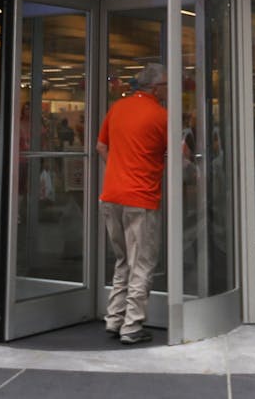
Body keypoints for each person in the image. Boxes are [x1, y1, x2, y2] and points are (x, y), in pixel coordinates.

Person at [96, 62, 168, 345]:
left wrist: (117, 167)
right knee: (142, 262)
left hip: (111, 195)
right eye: (166, 85)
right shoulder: (161, 116)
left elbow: (101, 146)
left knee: (123, 260)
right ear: (155, 87)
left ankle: (114, 319)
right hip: (141, 198)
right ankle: (132, 326)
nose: (169, 90)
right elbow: (177, 153)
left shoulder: (117, 108)